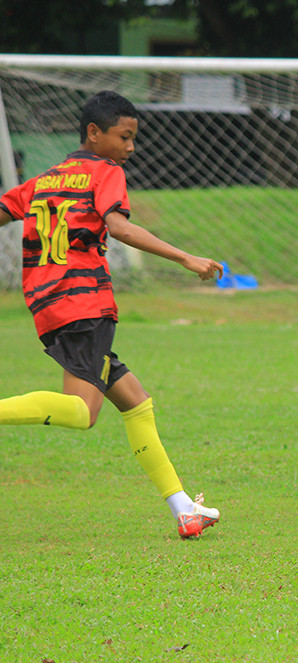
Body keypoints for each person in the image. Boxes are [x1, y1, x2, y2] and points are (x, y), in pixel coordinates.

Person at [0, 90, 223, 539]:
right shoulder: (105, 172)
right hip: (85, 304)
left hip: (49, 306)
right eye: (124, 136)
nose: (130, 147)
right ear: (94, 133)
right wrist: (186, 257)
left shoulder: (43, 181)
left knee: (136, 401)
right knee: (83, 412)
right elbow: (119, 227)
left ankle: (184, 509)